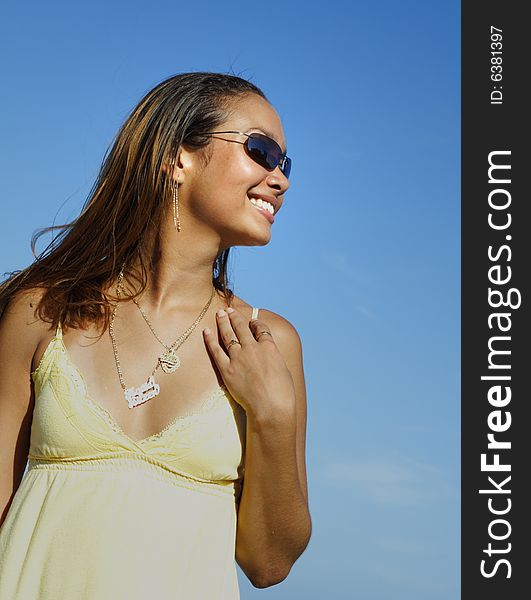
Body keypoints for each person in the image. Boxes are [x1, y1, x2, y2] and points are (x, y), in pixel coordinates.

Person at [0, 71, 311, 599]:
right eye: (260, 151)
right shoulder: (41, 312)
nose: (279, 178)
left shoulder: (270, 343)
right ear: (177, 157)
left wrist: (274, 415)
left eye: (287, 165)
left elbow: (268, 563)